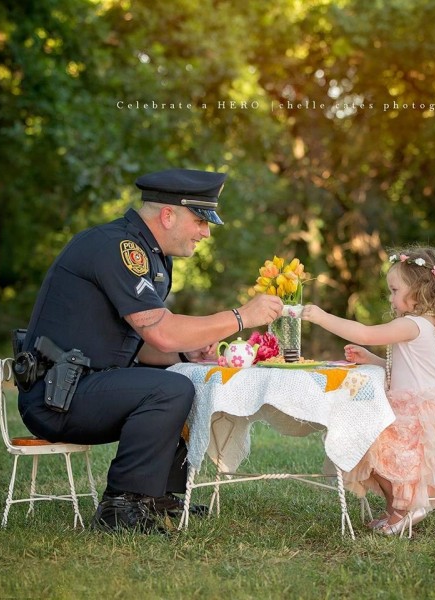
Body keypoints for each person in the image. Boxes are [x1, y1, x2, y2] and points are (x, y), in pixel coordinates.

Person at [17, 168, 283, 534]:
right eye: (200, 220)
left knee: (180, 375)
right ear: (168, 215)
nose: (206, 232)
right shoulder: (118, 248)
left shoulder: (153, 255)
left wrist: (185, 355)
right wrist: (241, 317)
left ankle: (156, 494)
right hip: (56, 397)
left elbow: (142, 346)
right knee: (170, 389)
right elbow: (161, 331)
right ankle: (121, 507)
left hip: (87, 384)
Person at [301, 245, 435, 535]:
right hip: (416, 405)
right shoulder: (422, 324)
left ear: (420, 290)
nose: (391, 297)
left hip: (420, 412)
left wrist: (322, 317)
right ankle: (396, 510)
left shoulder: (412, 324)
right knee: (365, 439)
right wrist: (371, 359)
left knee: (367, 440)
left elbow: (364, 332)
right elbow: (405, 369)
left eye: (395, 289)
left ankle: (405, 509)